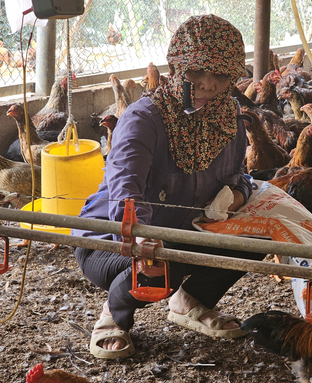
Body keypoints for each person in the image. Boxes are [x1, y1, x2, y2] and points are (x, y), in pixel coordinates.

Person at [73, 14, 264, 359]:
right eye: (196, 72)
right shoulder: (144, 119)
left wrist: (235, 196)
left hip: (190, 231)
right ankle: (113, 314)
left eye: (220, 75)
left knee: (260, 234)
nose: (208, 84)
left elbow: (240, 177)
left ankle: (190, 301)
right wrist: (141, 233)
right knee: (165, 262)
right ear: (177, 65)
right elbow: (124, 190)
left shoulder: (227, 117)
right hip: (113, 242)